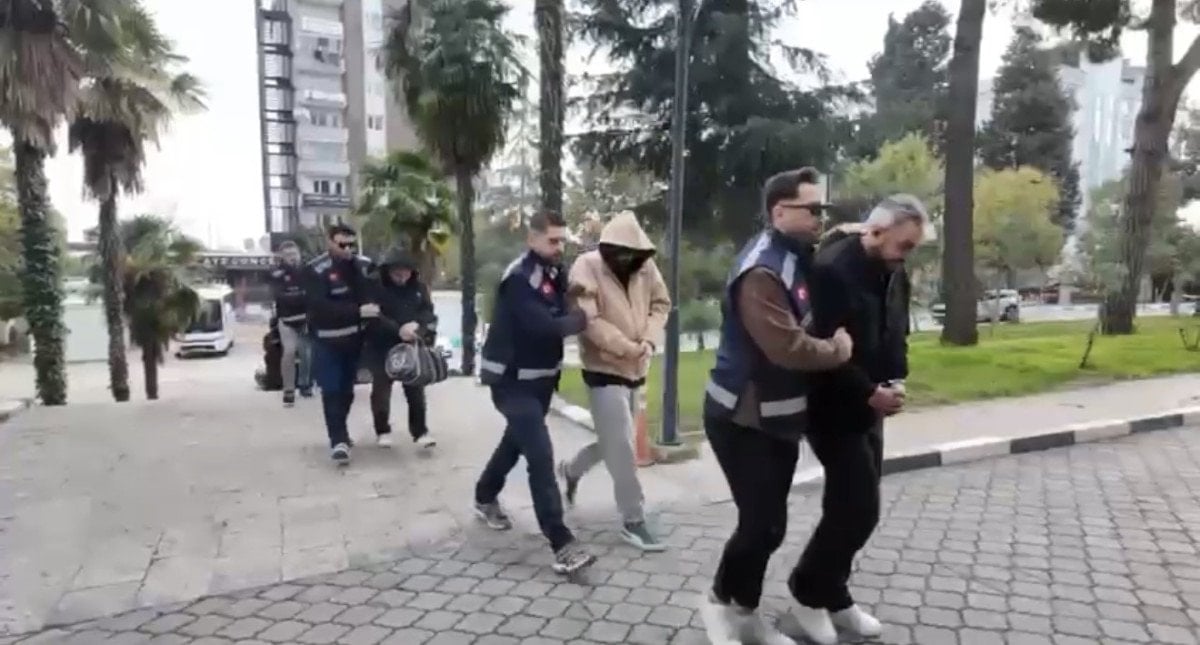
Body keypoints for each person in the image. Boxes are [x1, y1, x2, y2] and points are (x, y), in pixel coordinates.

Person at [697, 168, 854, 645]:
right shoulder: (762, 272)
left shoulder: (794, 254)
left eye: (824, 210)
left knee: (768, 525)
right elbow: (787, 348)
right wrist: (839, 349)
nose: (821, 219)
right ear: (779, 212)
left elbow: (826, 251)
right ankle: (721, 607)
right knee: (761, 525)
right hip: (743, 418)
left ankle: (741, 613)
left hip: (777, 415)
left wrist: (852, 233)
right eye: (813, 210)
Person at [783, 194, 926, 645]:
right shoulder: (832, 270)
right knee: (860, 508)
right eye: (904, 245)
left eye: (913, 247)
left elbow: (895, 328)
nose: (906, 255)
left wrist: (896, 379)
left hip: (872, 403)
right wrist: (868, 391)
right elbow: (824, 349)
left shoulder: (894, 269)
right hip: (830, 406)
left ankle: (834, 593)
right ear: (876, 231)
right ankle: (807, 592)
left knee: (848, 505)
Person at [472, 210, 595, 575]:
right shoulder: (519, 278)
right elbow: (545, 328)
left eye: (562, 241)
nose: (559, 247)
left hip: (540, 382)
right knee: (540, 455)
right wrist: (584, 317)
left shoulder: (554, 272)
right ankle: (561, 542)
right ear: (532, 239)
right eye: (552, 240)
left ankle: (484, 495)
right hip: (511, 383)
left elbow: (568, 297)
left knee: (515, 443)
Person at [557, 211, 669, 552]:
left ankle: (571, 470)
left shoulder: (646, 268)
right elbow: (587, 319)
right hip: (603, 368)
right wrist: (625, 347)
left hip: (637, 366)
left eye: (632, 254)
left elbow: (661, 304)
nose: (626, 260)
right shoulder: (586, 266)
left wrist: (648, 341)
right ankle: (633, 519)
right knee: (622, 447)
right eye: (620, 253)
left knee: (615, 442)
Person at [305, 223, 376, 465]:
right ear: (329, 242)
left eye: (351, 245)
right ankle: (338, 440)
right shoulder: (316, 270)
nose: (347, 249)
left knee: (346, 391)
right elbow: (318, 306)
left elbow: (372, 295)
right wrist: (356, 311)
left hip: (354, 340)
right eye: (342, 244)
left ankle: (341, 430)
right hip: (327, 339)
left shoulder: (361, 266)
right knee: (332, 389)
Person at [365, 246, 438, 449]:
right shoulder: (376, 287)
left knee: (415, 388)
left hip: (411, 343)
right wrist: (398, 329)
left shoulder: (419, 288)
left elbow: (428, 313)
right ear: (388, 270)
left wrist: (419, 328)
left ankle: (420, 431)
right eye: (397, 272)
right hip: (382, 344)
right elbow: (373, 315)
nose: (402, 276)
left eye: (406, 272)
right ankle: (382, 430)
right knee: (381, 389)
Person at [270, 241, 313, 406]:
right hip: (287, 320)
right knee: (289, 352)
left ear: (299, 255)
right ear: (282, 257)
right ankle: (288, 390)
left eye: (294, 254)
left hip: (306, 319)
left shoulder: (308, 271)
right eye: (288, 255)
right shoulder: (277, 274)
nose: (292, 258)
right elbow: (279, 296)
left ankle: (305, 384)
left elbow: (315, 294)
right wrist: (300, 296)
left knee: (306, 353)